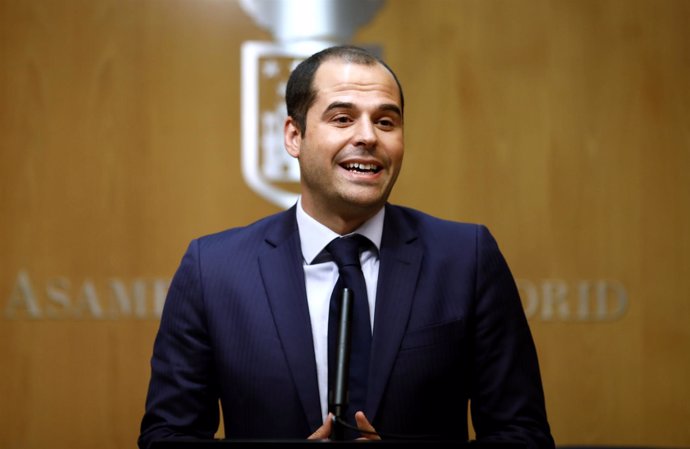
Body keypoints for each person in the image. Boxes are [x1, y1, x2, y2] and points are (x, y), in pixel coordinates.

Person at [138, 45, 554, 449]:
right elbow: (167, 437)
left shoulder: (467, 258)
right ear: (294, 135)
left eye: (387, 122)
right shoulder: (213, 269)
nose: (368, 136)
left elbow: (523, 434)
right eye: (342, 118)